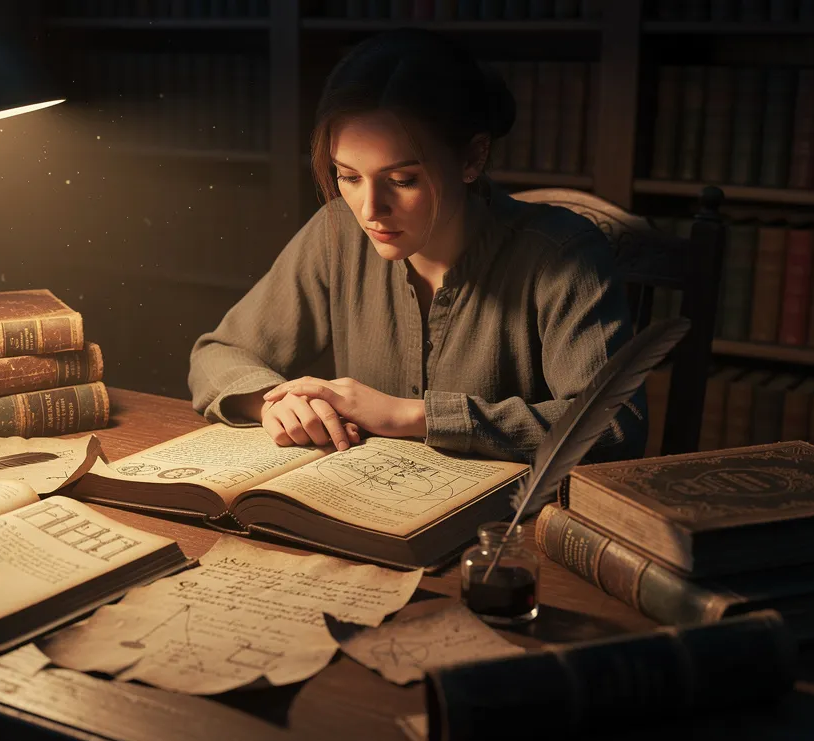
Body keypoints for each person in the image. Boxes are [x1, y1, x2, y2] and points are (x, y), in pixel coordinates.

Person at [188, 29, 645, 463]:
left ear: (472, 158)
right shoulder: (339, 233)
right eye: (348, 177)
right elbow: (217, 354)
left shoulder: (560, 254)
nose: (370, 209)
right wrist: (273, 404)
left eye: (402, 180)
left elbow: (614, 425)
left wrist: (411, 416)